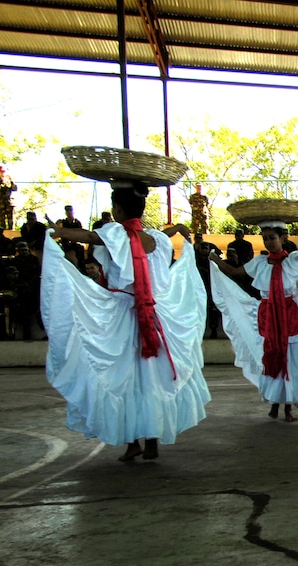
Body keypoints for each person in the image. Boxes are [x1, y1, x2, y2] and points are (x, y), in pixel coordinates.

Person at [41, 180, 211, 461]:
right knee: (152, 379)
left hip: (123, 314)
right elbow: (155, 235)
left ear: (117, 210)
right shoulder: (157, 239)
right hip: (155, 317)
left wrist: (59, 231)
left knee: (126, 377)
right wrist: (179, 230)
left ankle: (134, 442)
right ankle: (152, 439)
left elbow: (91, 237)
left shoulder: (115, 234)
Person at [209, 211, 298, 422]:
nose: (268, 242)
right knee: (272, 356)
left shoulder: (292, 261)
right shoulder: (259, 263)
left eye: (272, 238)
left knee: (289, 359)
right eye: (265, 238)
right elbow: (234, 272)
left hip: (288, 315)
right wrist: (215, 259)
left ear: (283, 238)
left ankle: (287, 407)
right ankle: (274, 402)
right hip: (268, 315)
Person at [0, 165, 16, 231]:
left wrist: (10, 180)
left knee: (10, 220)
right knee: (2, 220)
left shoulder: (8, 179)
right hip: (1, 202)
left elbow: (14, 188)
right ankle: (3, 232)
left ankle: (11, 232)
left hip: (8, 202)